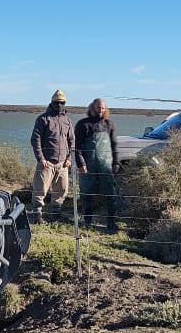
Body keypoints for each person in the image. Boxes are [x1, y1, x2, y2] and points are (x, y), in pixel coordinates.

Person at [75, 98, 120, 233]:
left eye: (102, 108)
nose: (100, 110)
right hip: (88, 166)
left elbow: (114, 145)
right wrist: (80, 164)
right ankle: (87, 221)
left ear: (105, 109)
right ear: (92, 108)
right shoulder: (83, 125)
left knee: (110, 194)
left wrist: (116, 162)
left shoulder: (109, 125)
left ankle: (111, 222)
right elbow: (76, 147)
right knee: (87, 194)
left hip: (105, 165)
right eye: (98, 108)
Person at [30, 89, 74, 224]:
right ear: (52, 102)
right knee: (40, 189)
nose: (59, 105)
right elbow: (35, 140)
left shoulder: (67, 120)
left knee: (61, 190)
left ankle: (56, 213)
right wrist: (41, 158)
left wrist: (69, 159)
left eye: (62, 102)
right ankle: (37, 215)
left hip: (62, 163)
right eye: (57, 102)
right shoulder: (43, 119)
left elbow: (72, 140)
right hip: (46, 162)